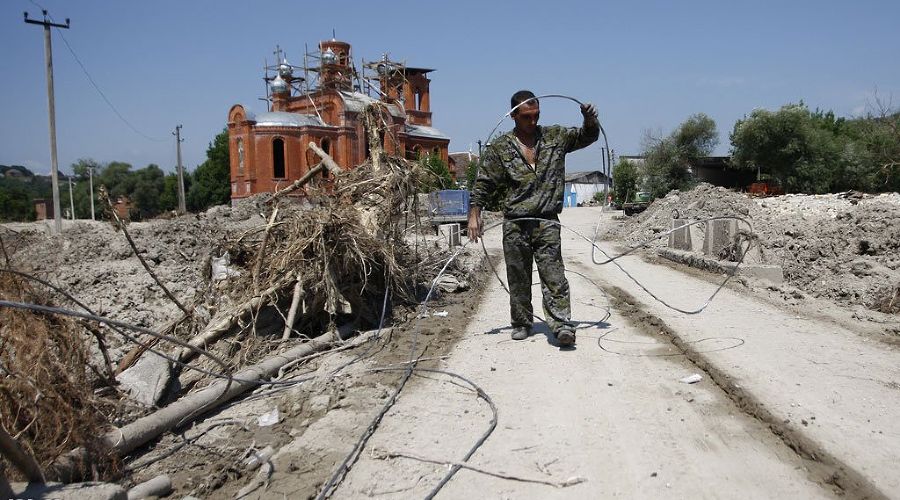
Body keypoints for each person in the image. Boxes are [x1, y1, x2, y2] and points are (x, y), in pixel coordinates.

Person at [468, 90, 599, 346]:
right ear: (514, 115)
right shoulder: (501, 148)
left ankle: (562, 325)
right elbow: (484, 183)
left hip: (547, 222)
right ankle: (521, 322)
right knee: (518, 276)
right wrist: (475, 213)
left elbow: (587, 137)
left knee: (554, 275)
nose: (533, 121)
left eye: (536, 115)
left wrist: (590, 119)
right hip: (516, 223)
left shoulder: (555, 137)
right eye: (527, 117)